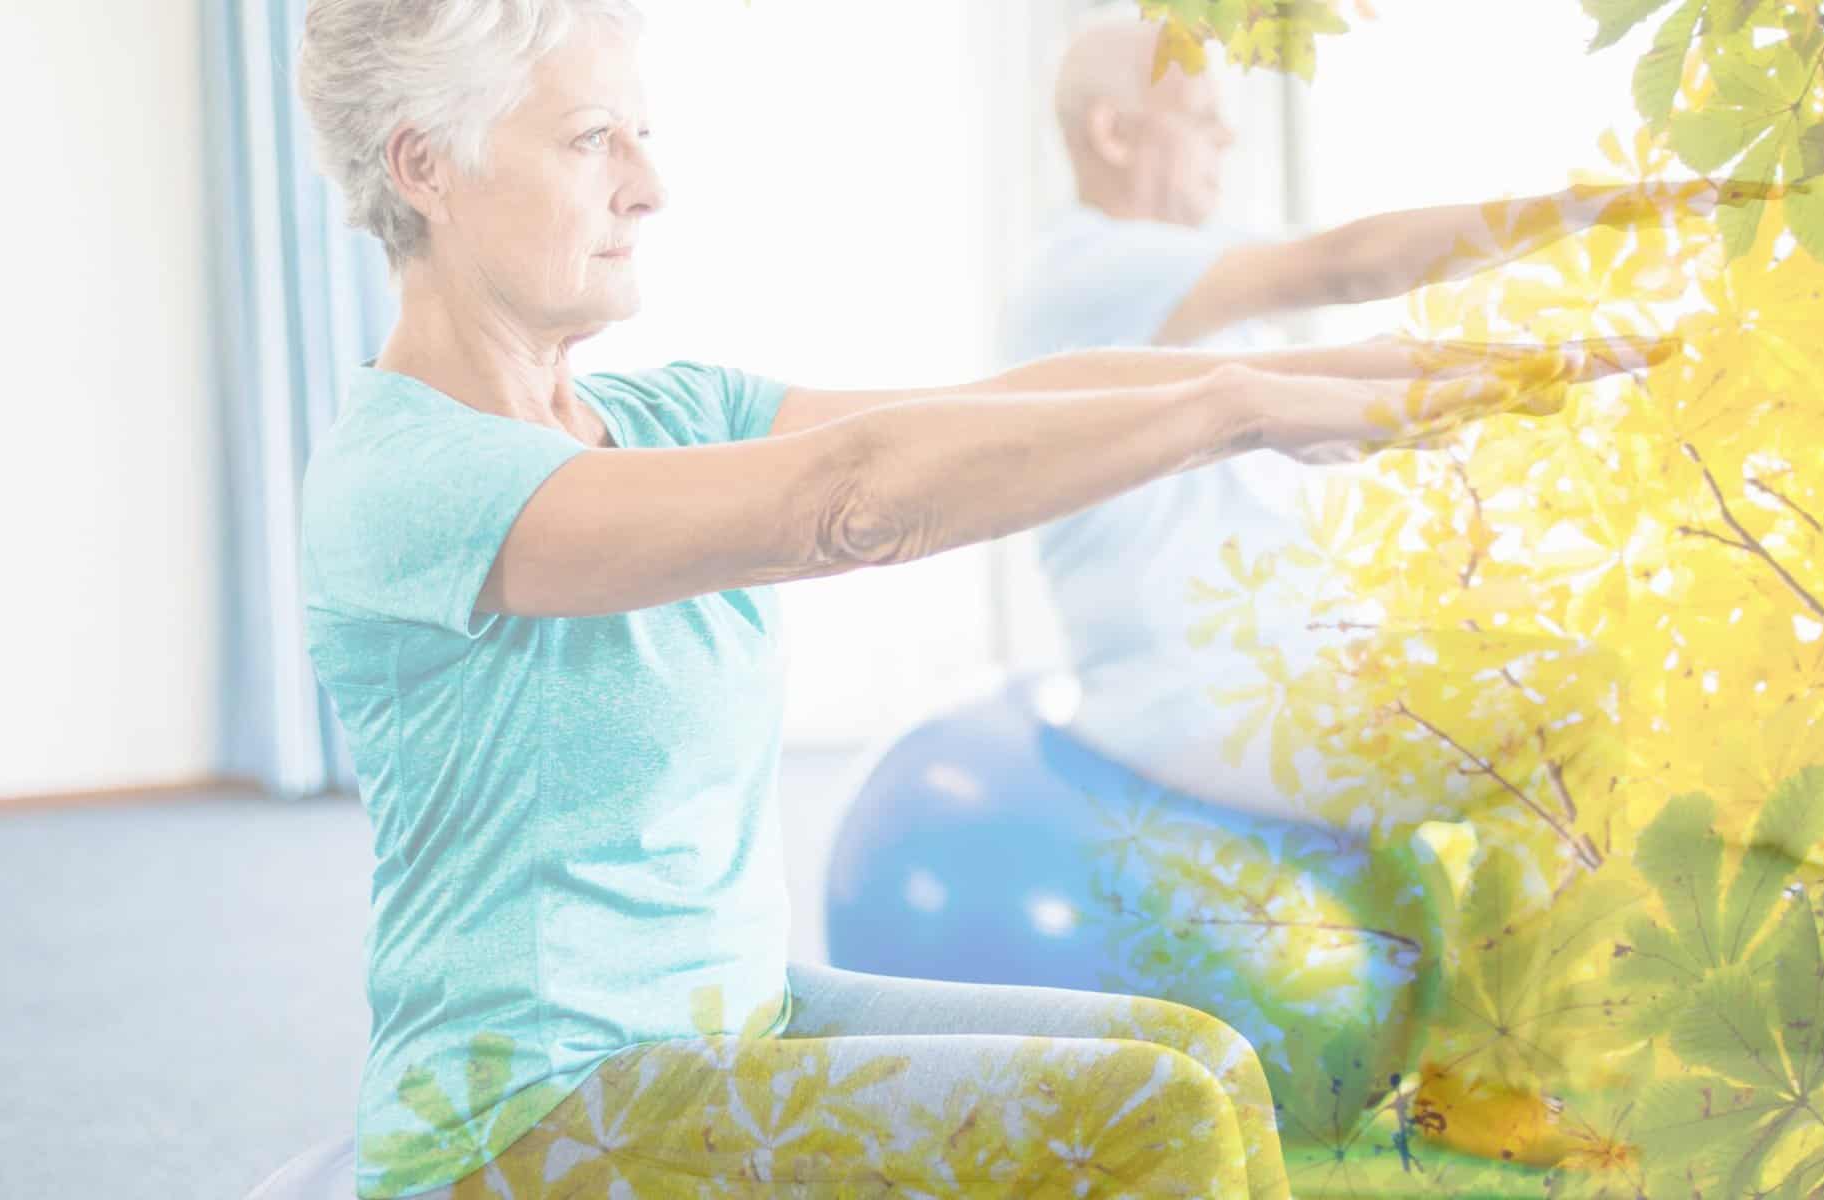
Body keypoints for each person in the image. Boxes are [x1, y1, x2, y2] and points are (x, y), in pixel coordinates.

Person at [280, 1, 1654, 1196]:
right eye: (592, 140)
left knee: (1200, 1053)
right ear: (427, 167)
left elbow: (995, 405)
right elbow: (848, 501)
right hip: (522, 1119)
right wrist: (1239, 407)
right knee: (1151, 1114)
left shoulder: (668, 411)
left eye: (641, 135)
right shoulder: (411, 482)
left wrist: (1364, 374)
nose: (649, 186)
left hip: (726, 1022)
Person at [1001, 7, 1750, 824]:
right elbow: (1345, 265)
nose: (1228, 142)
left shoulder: (1194, 276)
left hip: (1287, 682)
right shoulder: (1088, 274)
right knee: (1587, 691)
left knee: (1572, 655)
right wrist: (1593, 206)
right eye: (1204, 119)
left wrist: (1606, 348)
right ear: (1114, 133)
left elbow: (1369, 337)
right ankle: (1567, 950)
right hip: (1200, 714)